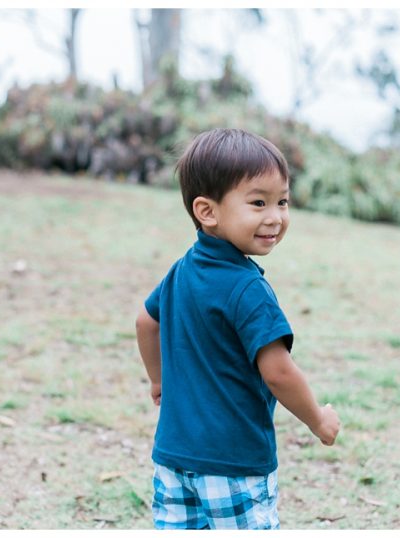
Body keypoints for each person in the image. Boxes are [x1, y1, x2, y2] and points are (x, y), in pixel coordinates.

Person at [135, 128, 340, 530]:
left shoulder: (182, 270)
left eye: (282, 201)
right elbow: (278, 373)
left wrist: (158, 380)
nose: (276, 217)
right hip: (235, 465)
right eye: (258, 202)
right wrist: (317, 419)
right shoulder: (248, 289)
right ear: (207, 211)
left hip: (173, 461)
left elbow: (145, 321)